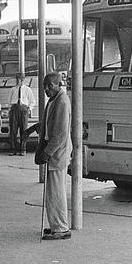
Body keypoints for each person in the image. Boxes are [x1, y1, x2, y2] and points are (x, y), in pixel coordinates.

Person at [39, 72, 72, 240]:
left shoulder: (62, 102)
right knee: (52, 192)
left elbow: (59, 133)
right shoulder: (53, 100)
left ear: (58, 85)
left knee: (56, 193)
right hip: (54, 153)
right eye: (45, 86)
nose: (46, 89)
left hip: (58, 154)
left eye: (49, 86)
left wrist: (47, 152)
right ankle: (56, 225)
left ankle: (60, 228)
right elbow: (48, 124)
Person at [7, 72, 36, 156]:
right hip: (14, 109)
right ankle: (13, 149)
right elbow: (9, 101)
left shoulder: (27, 89)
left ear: (24, 80)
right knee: (13, 130)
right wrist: (11, 109)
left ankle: (23, 149)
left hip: (24, 110)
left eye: (22, 79)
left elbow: (32, 101)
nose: (20, 81)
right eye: (18, 79)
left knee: (24, 130)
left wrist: (28, 109)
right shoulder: (13, 89)